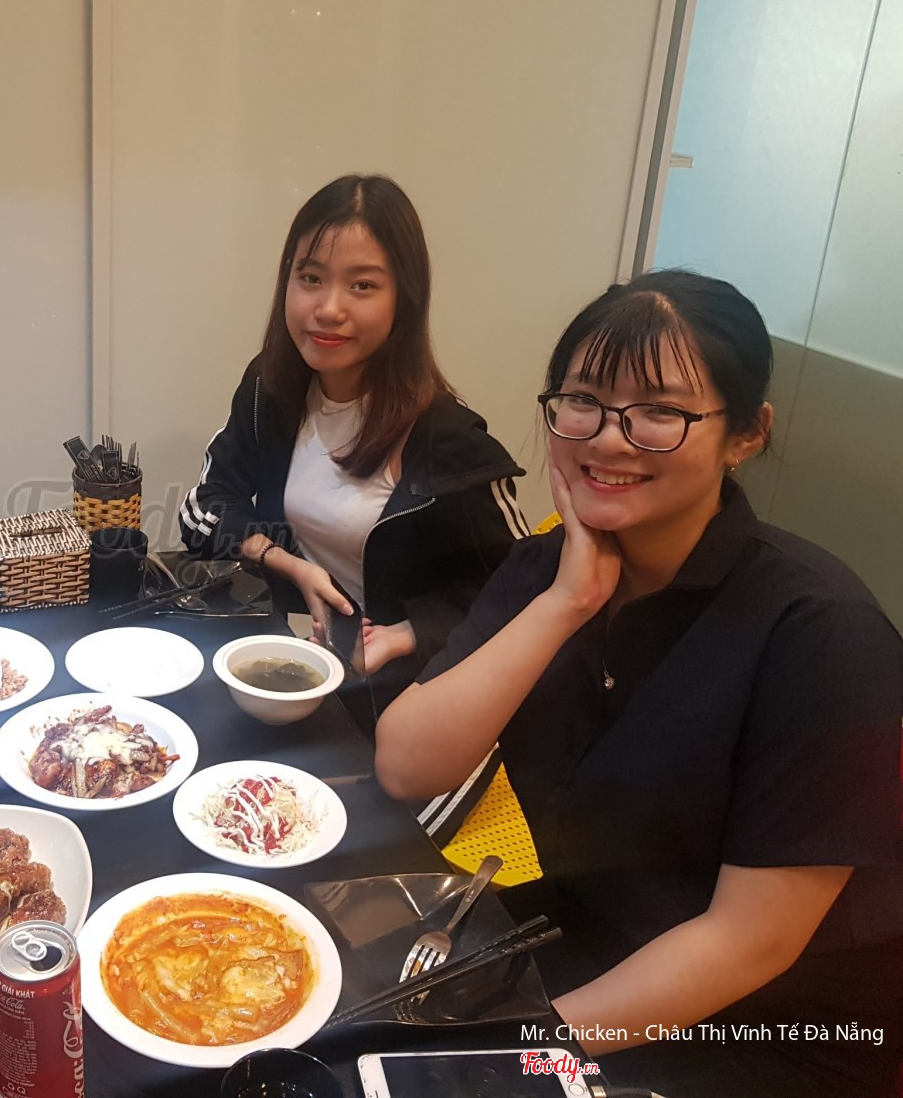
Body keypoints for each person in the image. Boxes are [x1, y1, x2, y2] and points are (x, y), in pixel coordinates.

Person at [375, 270, 903, 1096]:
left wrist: (521, 1057)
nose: (609, 439)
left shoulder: (821, 631)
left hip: (760, 1030)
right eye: (583, 401)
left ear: (747, 433)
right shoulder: (549, 569)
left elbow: (750, 942)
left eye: (659, 411)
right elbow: (408, 763)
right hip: (579, 958)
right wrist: (567, 604)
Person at [180, 174, 526, 778]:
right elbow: (203, 508)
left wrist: (409, 632)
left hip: (400, 702)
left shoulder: (450, 442)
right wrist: (283, 560)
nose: (329, 308)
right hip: (292, 665)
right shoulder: (271, 386)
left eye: (362, 285)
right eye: (310, 278)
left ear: (404, 299)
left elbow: (520, 593)